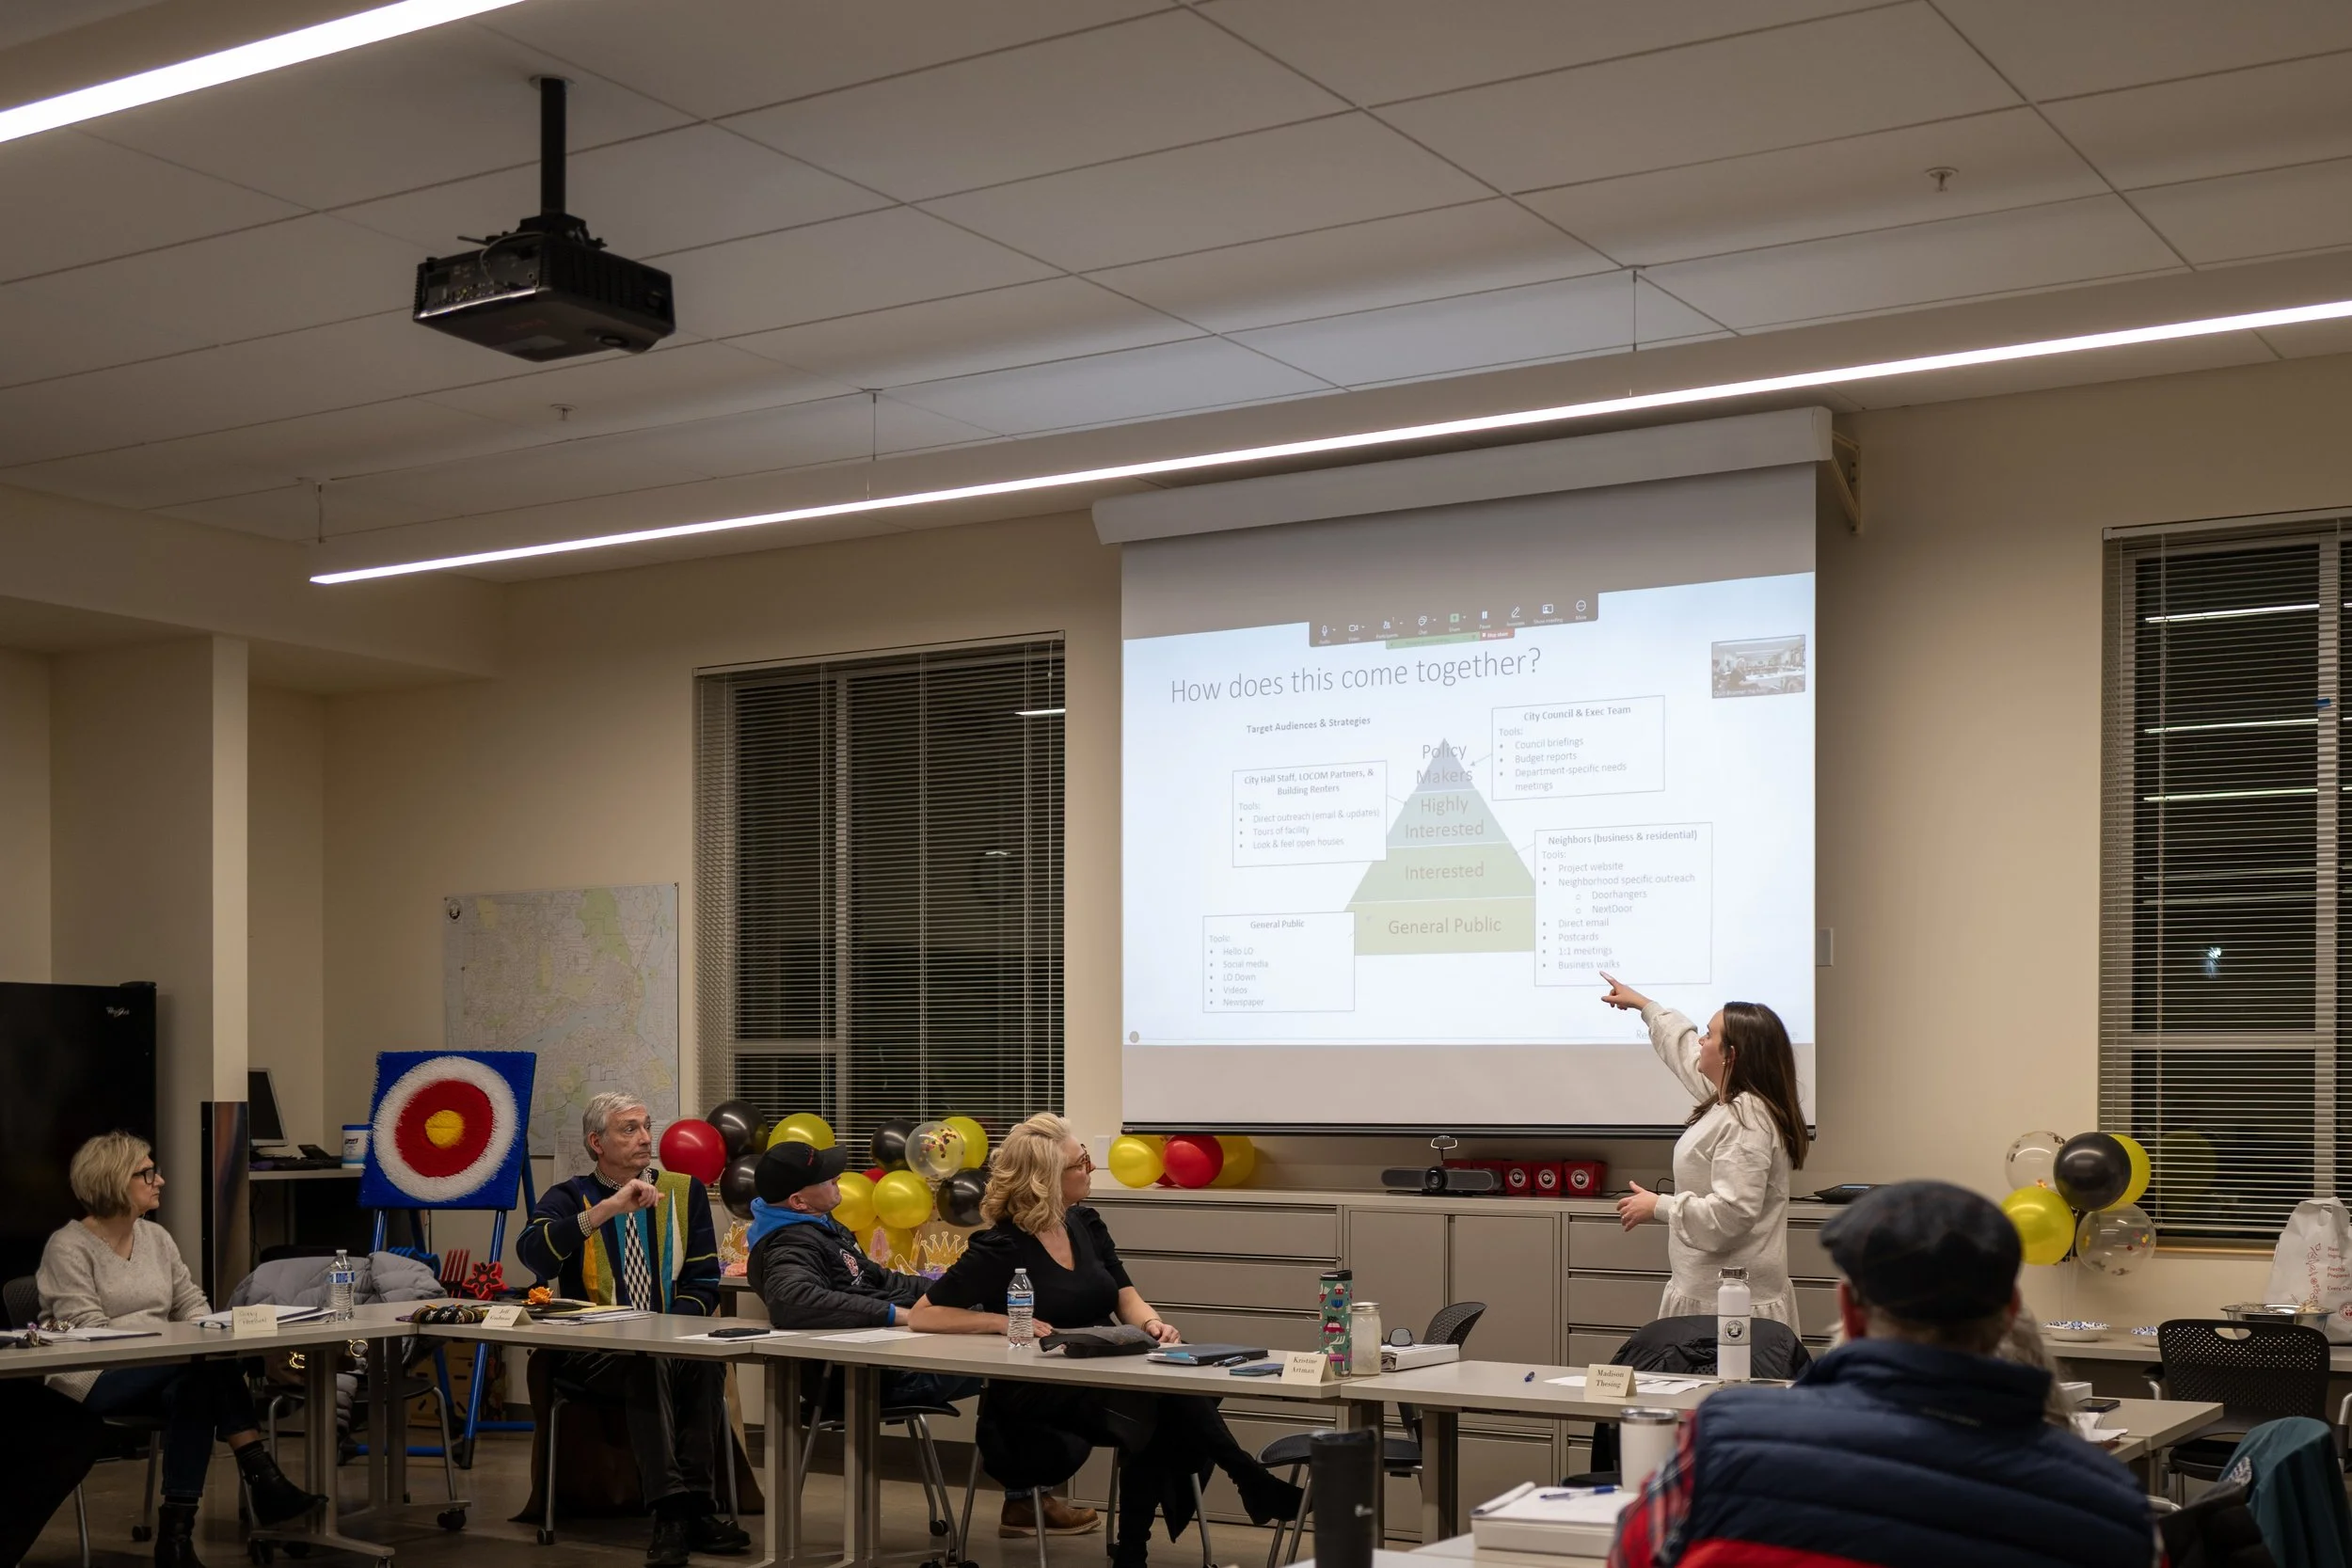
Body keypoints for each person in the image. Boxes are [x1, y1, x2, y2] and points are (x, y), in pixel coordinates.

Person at [1608, 1180, 2161, 1568]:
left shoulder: (1724, 1439)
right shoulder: (2108, 1507)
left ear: (1849, 1312)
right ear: (2011, 1315)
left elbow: (1630, 1556)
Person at [908, 1114, 1301, 1567]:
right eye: (1081, 1163)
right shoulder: (1001, 1247)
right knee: (1159, 1408)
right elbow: (924, 1314)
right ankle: (1243, 1485)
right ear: (1045, 1179)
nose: (1091, 1168)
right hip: (1040, 1389)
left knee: (1165, 1399)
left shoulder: (1085, 1223)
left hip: (1104, 1372)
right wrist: (1000, 1321)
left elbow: (1124, 1293)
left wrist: (1152, 1324)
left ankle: (1150, 1543)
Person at [747, 1140, 1096, 1538]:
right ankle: (1027, 1500)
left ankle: (1025, 1499)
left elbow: (883, 1281)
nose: (838, 1177)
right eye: (827, 1178)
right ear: (798, 1201)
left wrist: (957, 1293)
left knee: (1012, 1350)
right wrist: (902, 1315)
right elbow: (792, 1300)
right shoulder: (788, 1242)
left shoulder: (820, 1228)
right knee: (1021, 1371)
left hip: (886, 1358)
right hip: (867, 1377)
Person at [36, 1132, 324, 1568]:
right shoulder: (68, 1247)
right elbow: (90, 1331)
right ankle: (262, 1480)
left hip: (162, 1369)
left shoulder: (155, 1237)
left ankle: (176, 1539)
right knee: (201, 1367)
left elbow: (190, 1303)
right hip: (93, 1375)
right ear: (113, 1180)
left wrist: (209, 1330)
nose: (161, 1180)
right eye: (147, 1173)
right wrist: (180, 1343)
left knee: (198, 1384)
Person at [517, 1092, 744, 1568]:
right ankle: (670, 1513)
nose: (645, 1138)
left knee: (704, 1365)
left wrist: (666, 1331)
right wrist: (606, 1209)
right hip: (591, 1351)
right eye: (629, 1129)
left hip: (670, 1342)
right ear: (596, 1143)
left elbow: (704, 1281)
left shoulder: (683, 1191)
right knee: (645, 1364)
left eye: (646, 1126)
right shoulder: (570, 1195)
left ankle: (697, 1507)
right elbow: (534, 1254)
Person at [1599, 974, 1808, 1327]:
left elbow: (1732, 1214)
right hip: (1713, 1293)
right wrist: (1644, 1006)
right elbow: (1684, 1052)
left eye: (1709, 1035)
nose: (1700, 1040)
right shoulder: (1731, 1101)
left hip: (1729, 1308)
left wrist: (1659, 1206)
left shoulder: (1747, 1120)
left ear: (1731, 1055)